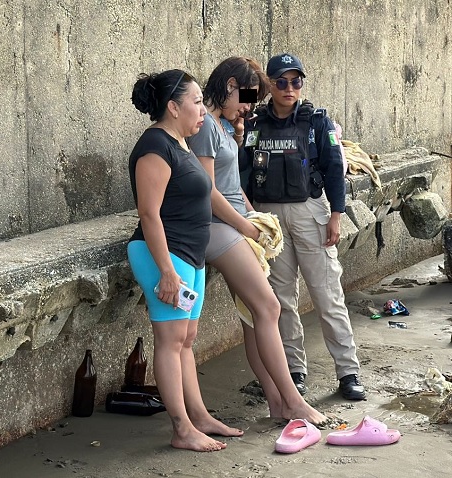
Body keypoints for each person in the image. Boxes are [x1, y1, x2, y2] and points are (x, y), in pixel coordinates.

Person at [187, 57, 329, 425]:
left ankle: (277, 403)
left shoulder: (220, 124)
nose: (250, 107)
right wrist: (245, 225)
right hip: (218, 227)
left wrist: (253, 218)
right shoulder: (204, 125)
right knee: (268, 307)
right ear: (231, 85)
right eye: (248, 97)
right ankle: (293, 401)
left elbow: (233, 187)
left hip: (235, 222)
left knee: (253, 318)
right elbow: (209, 191)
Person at [127, 69, 243, 452]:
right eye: (196, 103)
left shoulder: (180, 142)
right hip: (163, 254)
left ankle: (200, 416)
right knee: (170, 338)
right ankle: (181, 429)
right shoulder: (154, 147)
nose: (203, 112)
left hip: (189, 254)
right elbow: (149, 214)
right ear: (173, 107)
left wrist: (249, 226)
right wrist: (166, 272)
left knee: (187, 338)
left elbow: (207, 194)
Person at [239, 53, 366, 400]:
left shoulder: (317, 122)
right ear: (270, 86)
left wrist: (336, 215)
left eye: (296, 81)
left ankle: (348, 371)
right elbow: (243, 173)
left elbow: (334, 167)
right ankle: (294, 371)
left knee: (327, 294)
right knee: (281, 298)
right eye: (281, 82)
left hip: (311, 212)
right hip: (269, 218)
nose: (289, 88)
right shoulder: (253, 124)